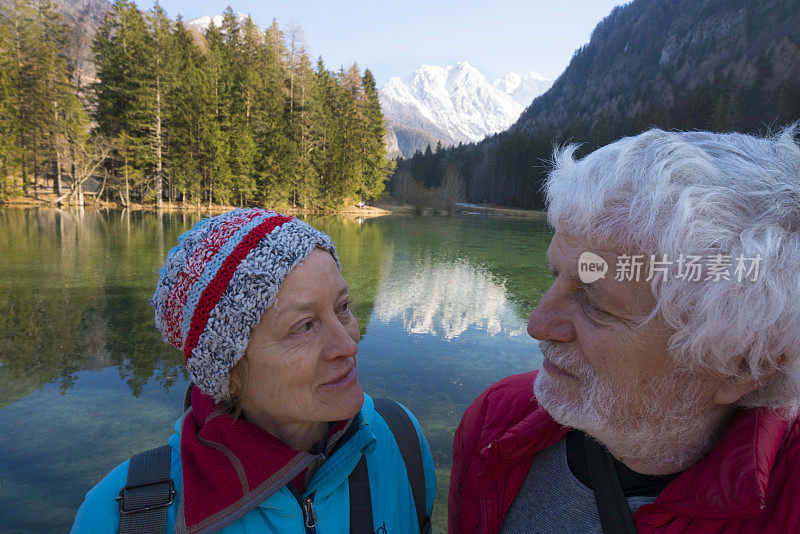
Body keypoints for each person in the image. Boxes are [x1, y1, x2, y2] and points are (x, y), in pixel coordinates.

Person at [449, 127, 800, 533]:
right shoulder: (495, 422)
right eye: (555, 275)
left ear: (740, 366)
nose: (537, 324)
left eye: (596, 301)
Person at [72, 208, 435, 533]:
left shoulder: (399, 439)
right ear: (226, 372)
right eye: (304, 326)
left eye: (343, 307)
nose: (349, 345)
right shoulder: (126, 518)